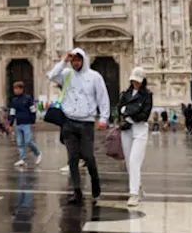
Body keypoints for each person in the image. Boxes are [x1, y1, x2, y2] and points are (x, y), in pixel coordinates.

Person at [48, 48, 110, 206]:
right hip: (69, 121)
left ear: (83, 60)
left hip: (86, 122)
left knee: (89, 157)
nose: (76, 63)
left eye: (78, 60)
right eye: (73, 60)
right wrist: (63, 60)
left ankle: (95, 183)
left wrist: (103, 118)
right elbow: (51, 76)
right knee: (72, 159)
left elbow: (103, 97)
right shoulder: (66, 74)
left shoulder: (94, 77)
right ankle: (77, 192)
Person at [116, 68, 153, 207]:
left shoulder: (147, 95)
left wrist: (128, 111)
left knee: (134, 160)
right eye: (133, 80)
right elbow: (119, 108)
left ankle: (134, 194)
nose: (135, 83)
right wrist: (131, 111)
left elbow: (144, 115)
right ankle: (138, 186)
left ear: (143, 81)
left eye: (138, 81)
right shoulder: (126, 93)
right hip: (126, 129)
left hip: (140, 130)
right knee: (128, 162)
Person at [7, 81, 42, 168]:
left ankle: (38, 153)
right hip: (19, 123)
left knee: (28, 141)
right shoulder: (14, 100)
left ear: (21, 89)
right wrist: (10, 124)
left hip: (27, 123)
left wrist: (33, 122)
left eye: (17, 88)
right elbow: (12, 112)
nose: (15, 90)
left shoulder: (28, 98)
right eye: (14, 89)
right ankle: (22, 158)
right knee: (20, 143)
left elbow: (33, 110)